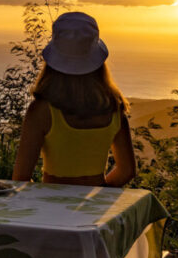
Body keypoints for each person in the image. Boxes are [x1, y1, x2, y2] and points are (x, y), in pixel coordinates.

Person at [13, 12, 136, 187]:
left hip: (51, 207)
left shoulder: (41, 111)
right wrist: (97, 194)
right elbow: (126, 171)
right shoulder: (113, 107)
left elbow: (20, 177)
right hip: (94, 210)